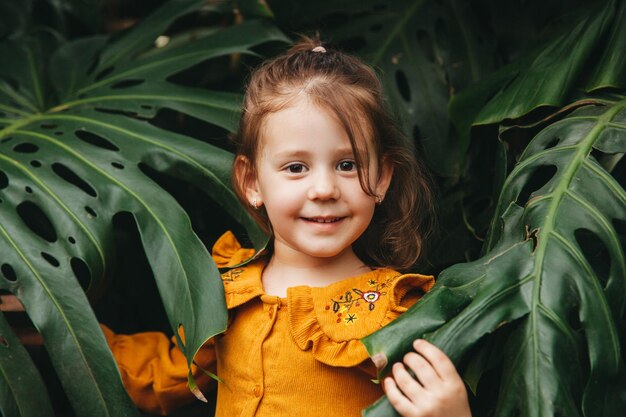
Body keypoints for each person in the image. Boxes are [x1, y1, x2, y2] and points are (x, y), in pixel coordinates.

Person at [101, 38, 472, 417]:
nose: (325, 189)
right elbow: (165, 374)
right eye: (296, 167)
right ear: (252, 182)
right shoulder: (228, 292)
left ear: (381, 178)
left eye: (348, 164)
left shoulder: (400, 314)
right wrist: (69, 336)